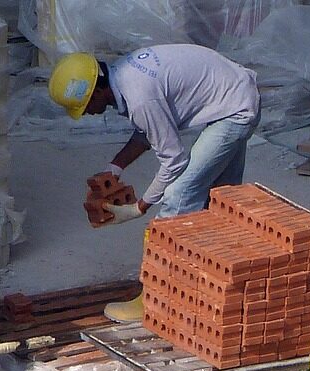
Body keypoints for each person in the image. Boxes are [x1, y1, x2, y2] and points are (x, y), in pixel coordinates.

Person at [48, 44, 261, 322]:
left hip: (234, 111)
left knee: (177, 199)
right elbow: (147, 131)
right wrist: (114, 168)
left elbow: (174, 160)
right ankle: (221, 289)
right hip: (236, 94)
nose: (86, 114)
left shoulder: (139, 98)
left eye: (85, 107)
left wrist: (140, 206)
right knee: (220, 202)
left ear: (97, 92)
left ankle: (154, 299)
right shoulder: (124, 76)